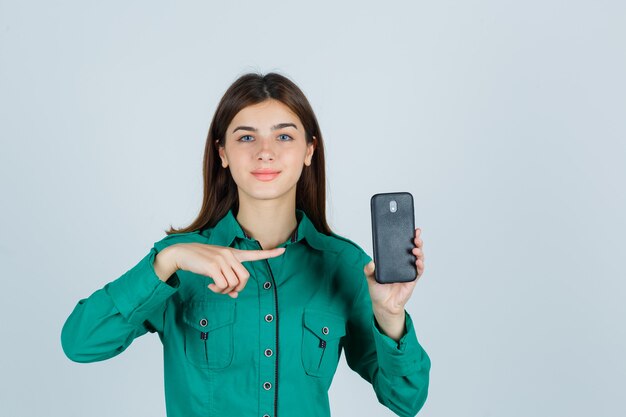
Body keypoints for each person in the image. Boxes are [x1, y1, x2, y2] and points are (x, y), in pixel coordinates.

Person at [61, 72, 431, 417]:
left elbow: (406, 399)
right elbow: (80, 342)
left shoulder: (344, 265)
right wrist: (167, 259)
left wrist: (390, 316)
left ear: (308, 151)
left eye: (284, 136)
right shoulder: (181, 264)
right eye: (246, 137)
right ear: (222, 153)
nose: (265, 152)